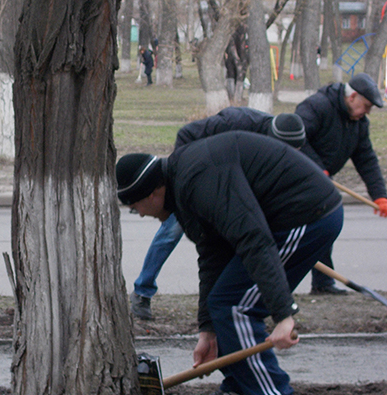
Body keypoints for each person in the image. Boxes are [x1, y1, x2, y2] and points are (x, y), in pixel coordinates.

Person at [116, 131, 343, 395]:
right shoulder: (183, 188)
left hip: (307, 214)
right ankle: (242, 388)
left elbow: (253, 238)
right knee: (224, 302)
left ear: (152, 193)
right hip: (278, 220)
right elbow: (213, 256)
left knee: (235, 306)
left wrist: (283, 314)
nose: (140, 214)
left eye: (136, 207)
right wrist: (207, 329)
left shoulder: (198, 179)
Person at [130, 109, 307, 320]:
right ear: (273, 138)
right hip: (194, 177)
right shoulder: (236, 122)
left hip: (229, 184)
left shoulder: (283, 139)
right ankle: (143, 290)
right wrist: (186, 186)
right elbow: (187, 134)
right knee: (173, 229)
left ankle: (244, 301)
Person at [295, 72, 387, 295]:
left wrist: (380, 195)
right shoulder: (317, 106)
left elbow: (366, 160)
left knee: (324, 224)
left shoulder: (358, 124)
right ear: (352, 96)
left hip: (320, 180)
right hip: (294, 176)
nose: (366, 112)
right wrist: (317, 167)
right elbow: (296, 138)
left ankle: (323, 284)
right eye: (365, 106)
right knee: (311, 226)